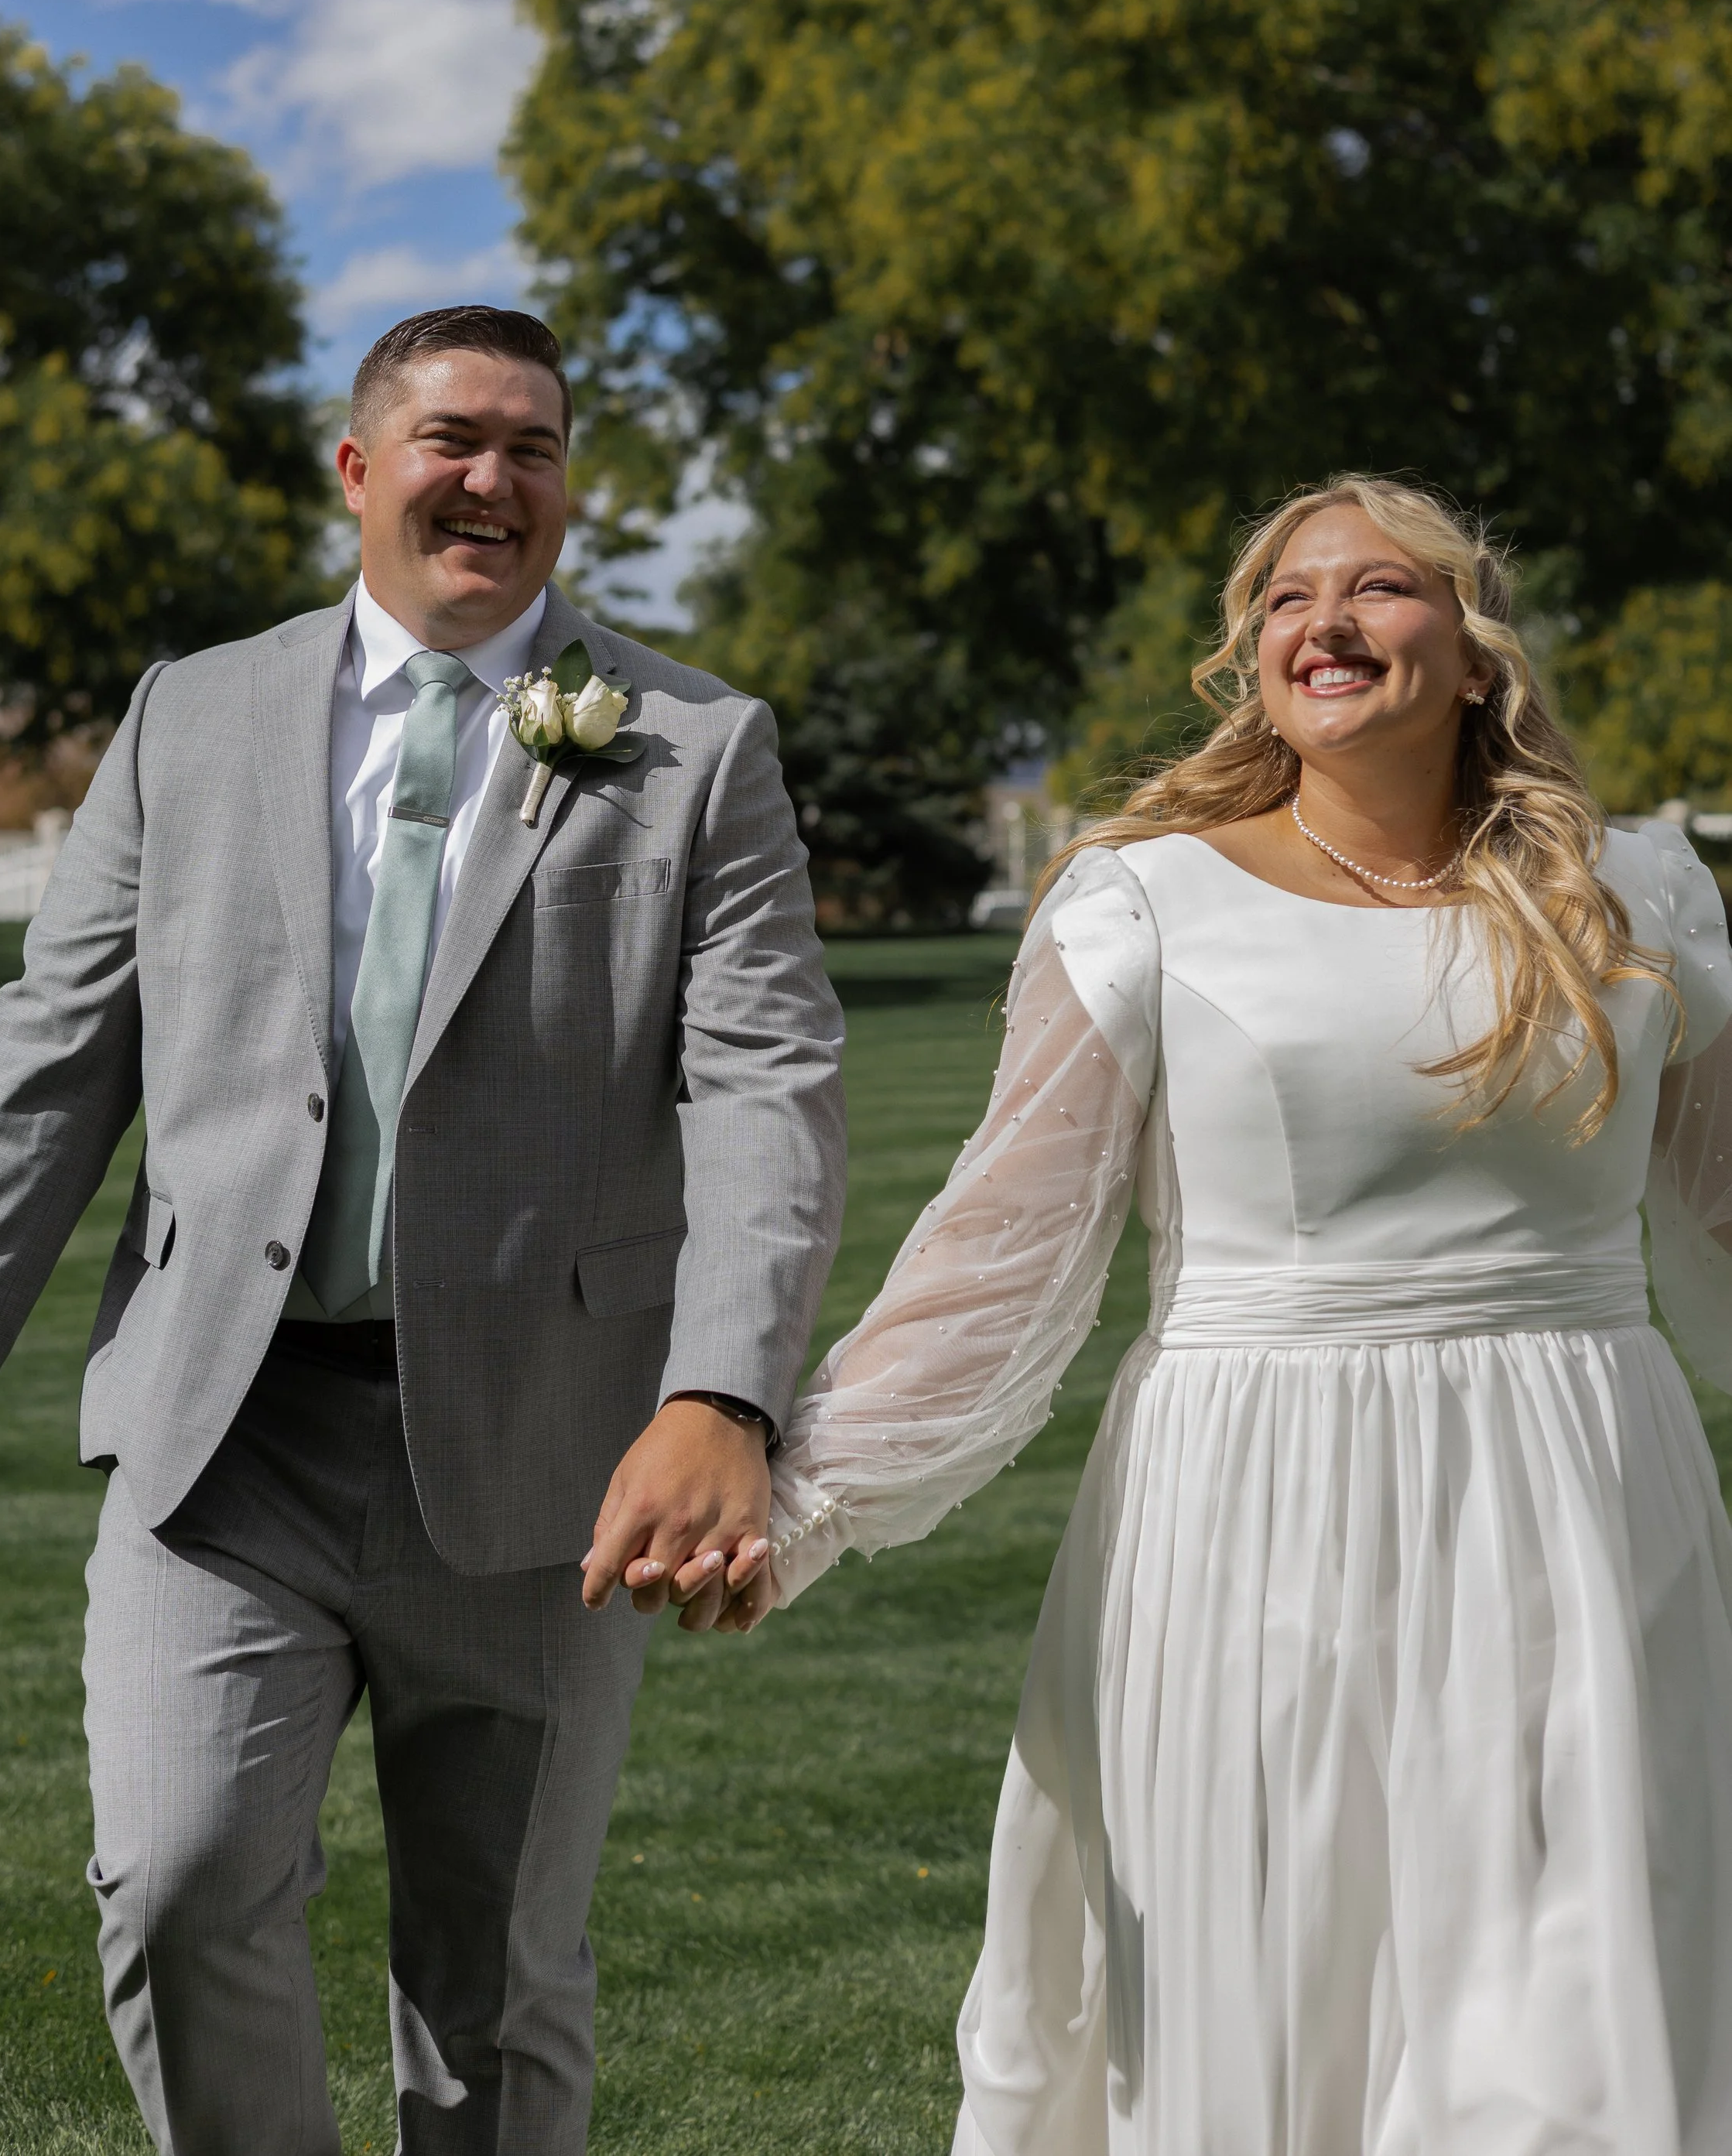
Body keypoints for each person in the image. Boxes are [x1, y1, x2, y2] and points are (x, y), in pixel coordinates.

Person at [0, 303, 847, 2155]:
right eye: (452, 437)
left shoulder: (693, 744)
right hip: (222, 1440)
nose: (491, 478)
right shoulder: (184, 716)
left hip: (547, 1463)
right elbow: (48, 1067)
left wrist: (722, 1399)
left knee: (496, 1987)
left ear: (566, 489)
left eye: (531, 447)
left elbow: (769, 1091)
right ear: (359, 470)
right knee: (178, 1885)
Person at [739, 474, 1732, 2155]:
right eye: (1281, 598)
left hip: (1576, 1511)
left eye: (1377, 589)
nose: (1321, 622)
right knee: (1276, 1998)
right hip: (1253, 1526)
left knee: (1582, 2029)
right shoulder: (1141, 906)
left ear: (1474, 649)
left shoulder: (1636, 894)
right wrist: (799, 1505)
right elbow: (1001, 1248)